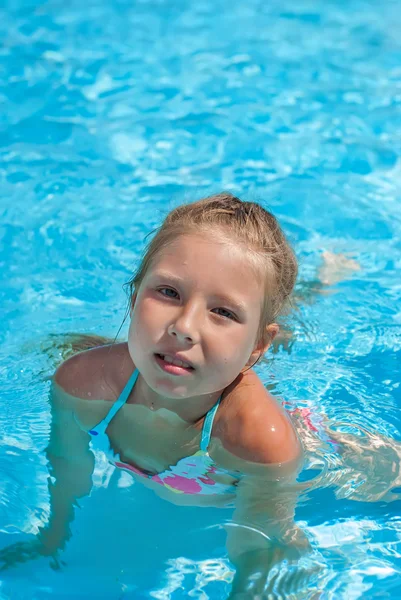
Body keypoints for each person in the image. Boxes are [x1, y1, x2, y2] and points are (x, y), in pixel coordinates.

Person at [0, 193, 325, 595]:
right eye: (169, 292)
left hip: (286, 421)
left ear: (257, 346)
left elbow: (260, 548)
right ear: (134, 299)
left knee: (377, 476)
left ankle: (322, 284)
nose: (184, 326)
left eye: (223, 312)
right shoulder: (81, 384)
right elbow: (66, 464)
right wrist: (50, 540)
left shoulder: (259, 441)